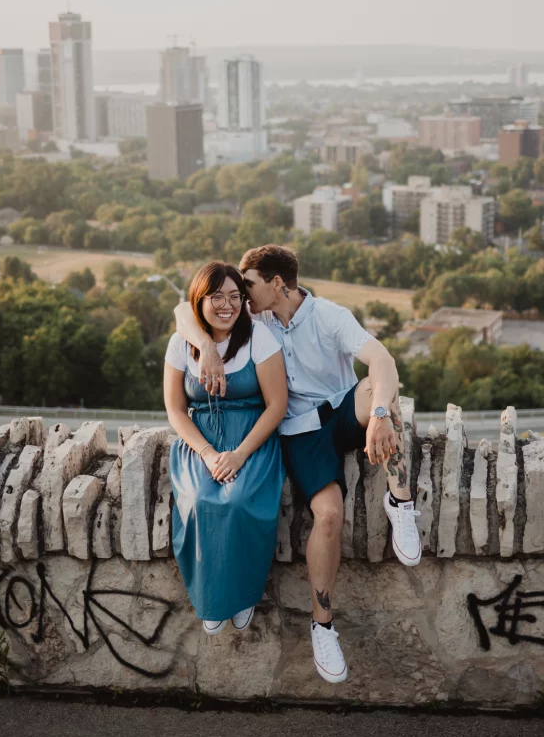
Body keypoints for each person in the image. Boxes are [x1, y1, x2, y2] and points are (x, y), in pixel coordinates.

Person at [175, 245, 421, 684]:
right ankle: (323, 626)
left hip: (343, 411)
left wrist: (379, 413)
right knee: (328, 516)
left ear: (276, 285)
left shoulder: (328, 316)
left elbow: (382, 359)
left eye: (247, 285)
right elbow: (185, 310)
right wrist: (205, 350)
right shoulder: (257, 319)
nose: (240, 297)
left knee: (382, 393)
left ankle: (400, 501)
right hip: (301, 433)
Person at [163, 260, 287, 636]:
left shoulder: (258, 339)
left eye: (235, 297)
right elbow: (175, 409)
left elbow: (277, 405)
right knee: (200, 501)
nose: (227, 305)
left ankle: (244, 594)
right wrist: (207, 453)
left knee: (239, 500)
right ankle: (211, 600)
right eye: (217, 297)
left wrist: (239, 454)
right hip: (201, 440)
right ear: (200, 300)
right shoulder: (182, 343)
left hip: (251, 437)